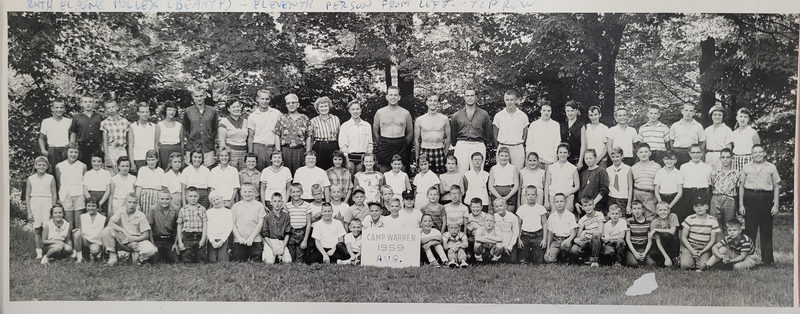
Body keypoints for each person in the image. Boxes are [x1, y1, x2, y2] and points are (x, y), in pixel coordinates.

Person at [739, 144, 780, 265]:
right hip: (750, 198)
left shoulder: (771, 167)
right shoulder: (746, 167)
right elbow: (741, 186)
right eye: (755, 152)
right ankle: (749, 257)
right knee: (749, 229)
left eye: (760, 152)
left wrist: (776, 205)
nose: (757, 154)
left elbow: (776, 186)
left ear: (764, 153)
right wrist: (741, 204)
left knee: (766, 229)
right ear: (751, 154)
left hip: (766, 198)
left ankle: (767, 260)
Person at [101, 193, 158, 266]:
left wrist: (134, 239)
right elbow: (110, 223)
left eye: (134, 202)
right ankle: (113, 257)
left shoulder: (141, 215)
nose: (132, 205)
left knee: (153, 250)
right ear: (125, 202)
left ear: (137, 204)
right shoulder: (121, 211)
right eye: (129, 202)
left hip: (137, 241)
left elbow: (146, 235)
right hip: (123, 239)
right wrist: (123, 231)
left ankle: (138, 257)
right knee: (107, 231)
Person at [450, 87, 493, 175]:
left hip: (478, 144)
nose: (470, 98)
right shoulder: (457, 115)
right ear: (464, 97)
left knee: (478, 173)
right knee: (461, 173)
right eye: (468, 95)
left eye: (472, 95)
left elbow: (488, 133)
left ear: (476, 97)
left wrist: (482, 143)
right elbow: (453, 134)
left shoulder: (484, 114)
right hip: (462, 145)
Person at [373, 86, 414, 172]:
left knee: (401, 172)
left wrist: (404, 144)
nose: (393, 97)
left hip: (401, 145)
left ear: (399, 97)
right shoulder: (380, 113)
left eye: (395, 95)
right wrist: (381, 143)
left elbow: (410, 133)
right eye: (391, 95)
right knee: (384, 171)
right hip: (384, 144)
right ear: (387, 97)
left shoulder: (405, 113)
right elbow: (375, 131)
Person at [26, 156, 58, 259]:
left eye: (44, 165)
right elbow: (27, 196)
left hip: (47, 203)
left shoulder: (51, 178)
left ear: (47, 166)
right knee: (37, 229)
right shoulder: (30, 178)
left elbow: (54, 194)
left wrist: (53, 209)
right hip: (35, 203)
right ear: (35, 166)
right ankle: (39, 253)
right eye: (39, 165)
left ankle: (49, 251)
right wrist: (29, 211)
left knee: (48, 227)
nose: (41, 167)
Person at [274, 93, 312, 175]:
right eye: (288, 103)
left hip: (300, 151)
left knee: (300, 174)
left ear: (298, 104)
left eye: (293, 102)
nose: (291, 105)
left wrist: (308, 153)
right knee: (285, 174)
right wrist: (278, 152)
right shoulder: (282, 118)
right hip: (285, 151)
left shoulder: (304, 118)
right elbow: (277, 135)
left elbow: (308, 136)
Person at [679, 197, 720, 270]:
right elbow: (684, 237)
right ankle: (685, 258)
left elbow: (712, 240)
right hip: (691, 246)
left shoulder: (713, 220)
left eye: (702, 205)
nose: (699, 208)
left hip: (704, 247)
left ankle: (697, 260)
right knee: (685, 265)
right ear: (694, 208)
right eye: (696, 206)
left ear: (707, 207)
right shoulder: (689, 218)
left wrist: (702, 251)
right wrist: (692, 250)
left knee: (703, 267)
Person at [183, 85, 219, 167]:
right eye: (196, 96)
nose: (199, 98)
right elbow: (186, 128)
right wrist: (191, 138)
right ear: (193, 97)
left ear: (205, 96)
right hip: (192, 147)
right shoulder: (188, 111)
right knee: (192, 171)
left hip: (208, 148)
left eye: (201, 96)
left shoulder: (212, 111)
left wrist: (210, 138)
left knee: (208, 172)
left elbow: (215, 128)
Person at [414, 94, 451, 174]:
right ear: (426, 102)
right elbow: (416, 140)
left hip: (439, 150)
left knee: (440, 176)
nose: (432, 103)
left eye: (435, 101)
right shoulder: (420, 120)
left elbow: (448, 137)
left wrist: (445, 152)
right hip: (425, 150)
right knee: (424, 177)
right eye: (430, 100)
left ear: (438, 103)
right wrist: (417, 156)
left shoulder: (444, 119)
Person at [492, 90, 529, 170]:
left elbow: (525, 134)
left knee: (517, 172)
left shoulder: (523, 116)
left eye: (512, 100)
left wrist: (519, 144)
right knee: (501, 172)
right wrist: (500, 146)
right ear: (504, 100)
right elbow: (495, 135)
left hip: (517, 148)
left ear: (516, 100)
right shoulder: (498, 116)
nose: (509, 102)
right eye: (507, 100)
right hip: (503, 147)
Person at [230, 183, 266, 262]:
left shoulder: (259, 205)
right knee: (239, 260)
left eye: (250, 191)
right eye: (245, 192)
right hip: (240, 239)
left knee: (256, 260)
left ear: (254, 192)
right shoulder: (236, 206)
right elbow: (232, 224)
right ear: (241, 193)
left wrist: (251, 238)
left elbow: (260, 223)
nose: (247, 194)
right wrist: (239, 237)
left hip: (255, 239)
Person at [248, 89, 282, 171]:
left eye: (267, 99)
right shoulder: (252, 116)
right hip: (258, 147)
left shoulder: (276, 113)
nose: (264, 101)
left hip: (272, 147)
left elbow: (280, 133)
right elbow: (251, 136)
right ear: (257, 99)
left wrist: (278, 150)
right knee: (259, 172)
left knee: (273, 172)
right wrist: (250, 153)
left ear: (269, 99)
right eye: (262, 99)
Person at [55, 143, 86, 228]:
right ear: (66, 152)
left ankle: (78, 236)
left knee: (78, 224)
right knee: (68, 224)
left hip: (79, 195)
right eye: (71, 152)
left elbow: (84, 182)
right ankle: (69, 237)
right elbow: (59, 183)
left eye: (76, 152)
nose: (73, 154)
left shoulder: (83, 166)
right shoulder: (59, 166)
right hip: (65, 195)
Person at [679, 144, 712, 223]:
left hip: (702, 193)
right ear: (689, 154)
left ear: (702, 153)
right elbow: (681, 182)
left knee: (701, 217)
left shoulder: (707, 167)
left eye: (698, 152)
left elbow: (709, 183)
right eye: (693, 152)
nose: (695, 155)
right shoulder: (684, 167)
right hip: (687, 194)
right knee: (687, 217)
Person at [338, 100, 374, 174]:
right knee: (350, 178)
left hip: (363, 159)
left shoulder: (367, 125)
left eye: (357, 109)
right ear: (349, 111)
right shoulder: (345, 126)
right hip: (350, 158)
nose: (355, 111)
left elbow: (370, 144)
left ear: (361, 110)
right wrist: (347, 160)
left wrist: (367, 160)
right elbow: (342, 144)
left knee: (361, 178)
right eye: (353, 109)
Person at [516, 186, 547, 265]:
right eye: (528, 194)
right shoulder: (521, 209)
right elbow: (518, 225)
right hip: (525, 236)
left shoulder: (541, 208)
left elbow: (544, 224)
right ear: (525, 195)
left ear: (536, 196)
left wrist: (544, 239)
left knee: (539, 262)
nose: (530, 196)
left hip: (537, 235)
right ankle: (528, 253)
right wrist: (519, 239)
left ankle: (534, 253)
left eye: (533, 194)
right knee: (522, 261)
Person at [570, 196, 606, 267]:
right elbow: (578, 236)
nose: (588, 207)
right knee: (574, 249)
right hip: (587, 241)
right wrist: (578, 239)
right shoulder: (582, 220)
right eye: (585, 206)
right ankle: (586, 258)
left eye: (590, 205)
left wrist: (586, 232)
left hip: (598, 241)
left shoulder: (599, 215)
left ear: (594, 205)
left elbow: (600, 231)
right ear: (582, 208)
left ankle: (595, 261)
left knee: (595, 235)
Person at [146, 189, 179, 264]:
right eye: (162, 199)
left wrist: (175, 243)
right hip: (157, 239)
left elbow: (178, 227)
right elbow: (149, 227)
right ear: (158, 199)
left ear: (171, 199)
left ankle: (166, 253)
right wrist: (152, 242)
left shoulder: (175, 209)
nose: (164, 201)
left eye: (167, 199)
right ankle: (161, 254)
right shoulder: (153, 209)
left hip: (169, 239)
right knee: (154, 261)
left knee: (176, 260)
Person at [710, 148, 739, 232]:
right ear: (720, 158)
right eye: (723, 157)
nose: (725, 159)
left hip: (729, 199)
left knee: (729, 224)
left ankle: (728, 240)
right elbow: (712, 186)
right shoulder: (714, 172)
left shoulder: (736, 173)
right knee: (715, 224)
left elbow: (737, 187)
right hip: (716, 198)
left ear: (732, 158)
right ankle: (717, 240)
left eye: (728, 157)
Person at [307, 97, 341, 170]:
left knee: (333, 168)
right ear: (318, 109)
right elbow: (311, 138)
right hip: (319, 147)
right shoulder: (313, 121)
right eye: (321, 107)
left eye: (325, 106)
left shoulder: (335, 119)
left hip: (333, 146)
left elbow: (339, 135)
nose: (323, 108)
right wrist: (309, 152)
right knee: (320, 169)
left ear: (329, 107)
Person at [69, 95, 104, 166]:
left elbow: (103, 133)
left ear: (94, 104)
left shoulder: (99, 117)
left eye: (90, 102)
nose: (88, 104)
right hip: (82, 148)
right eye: (85, 102)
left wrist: (103, 147)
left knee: (96, 167)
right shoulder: (76, 117)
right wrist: (72, 147)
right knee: (82, 167)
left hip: (96, 147)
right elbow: (73, 133)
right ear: (81, 104)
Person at [39, 100, 72, 172]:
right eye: (56, 107)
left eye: (61, 107)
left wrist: (70, 147)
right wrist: (43, 150)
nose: (59, 110)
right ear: (52, 108)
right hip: (52, 150)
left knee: (66, 171)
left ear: (64, 109)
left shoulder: (69, 121)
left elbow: (73, 135)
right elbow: (41, 138)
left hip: (65, 149)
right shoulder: (46, 122)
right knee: (53, 171)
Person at [543, 193, 578, 263]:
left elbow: (573, 232)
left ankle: (565, 257)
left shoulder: (570, 215)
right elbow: (550, 234)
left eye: (561, 201)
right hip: (556, 241)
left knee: (564, 247)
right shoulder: (552, 216)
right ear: (554, 203)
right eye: (557, 201)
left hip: (566, 240)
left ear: (565, 202)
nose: (559, 204)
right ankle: (558, 257)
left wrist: (569, 240)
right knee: (547, 259)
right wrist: (548, 249)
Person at [525, 99, 561, 166]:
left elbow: (557, 143)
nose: (546, 113)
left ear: (551, 112)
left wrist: (555, 160)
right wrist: (529, 161)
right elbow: (529, 144)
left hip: (551, 161)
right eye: (544, 110)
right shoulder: (534, 125)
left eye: (548, 111)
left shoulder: (555, 125)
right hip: (536, 161)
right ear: (540, 111)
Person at [544, 144, 578, 213]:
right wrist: (546, 201)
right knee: (553, 218)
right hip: (553, 197)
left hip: (567, 198)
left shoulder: (573, 168)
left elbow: (577, 186)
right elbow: (547, 184)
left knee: (566, 217)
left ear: (568, 154)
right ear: (557, 153)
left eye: (565, 152)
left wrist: (567, 193)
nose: (562, 154)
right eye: (560, 152)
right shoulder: (551, 167)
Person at [177, 187, 208, 263]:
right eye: (190, 196)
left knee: (201, 258)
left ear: (198, 197)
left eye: (195, 196)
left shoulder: (202, 209)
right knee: (186, 257)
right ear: (186, 197)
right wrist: (180, 242)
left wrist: (203, 239)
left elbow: (205, 225)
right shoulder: (183, 210)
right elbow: (179, 226)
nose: (193, 198)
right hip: (187, 236)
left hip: (199, 235)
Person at [630, 143, 661, 219]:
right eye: (641, 152)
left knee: (651, 217)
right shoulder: (633, 168)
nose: (643, 154)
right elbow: (631, 185)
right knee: (637, 216)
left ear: (650, 153)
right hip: (637, 194)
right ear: (637, 154)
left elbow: (659, 184)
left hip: (650, 195)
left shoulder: (657, 166)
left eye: (646, 152)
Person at [98, 100, 129, 174]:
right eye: (108, 108)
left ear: (117, 107)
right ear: (106, 110)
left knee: (122, 171)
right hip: (111, 149)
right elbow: (104, 141)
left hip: (122, 149)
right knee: (111, 172)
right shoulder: (104, 123)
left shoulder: (125, 121)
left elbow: (128, 140)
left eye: (113, 107)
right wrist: (107, 156)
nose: (111, 109)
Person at [260, 192, 292, 264]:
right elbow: (265, 234)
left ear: (282, 202)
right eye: (275, 201)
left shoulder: (286, 216)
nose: (277, 204)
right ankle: (274, 257)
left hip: (282, 242)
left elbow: (287, 233)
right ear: (271, 203)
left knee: (288, 261)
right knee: (269, 262)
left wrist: (283, 247)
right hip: (270, 242)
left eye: (279, 201)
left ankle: (280, 257)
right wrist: (272, 248)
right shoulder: (267, 217)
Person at [576, 149, 609, 215]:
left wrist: (593, 203)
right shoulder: (583, 173)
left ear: (595, 158)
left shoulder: (601, 171)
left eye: (590, 158)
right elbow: (578, 190)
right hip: (583, 207)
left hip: (596, 207)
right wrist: (576, 203)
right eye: (586, 158)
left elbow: (604, 190)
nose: (588, 160)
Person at [218, 99, 249, 171]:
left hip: (244, 152)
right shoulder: (224, 121)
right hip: (231, 152)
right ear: (228, 109)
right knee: (231, 173)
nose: (236, 109)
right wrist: (225, 154)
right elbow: (221, 140)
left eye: (238, 106)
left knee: (243, 174)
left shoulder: (245, 121)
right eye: (233, 107)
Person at [73, 197, 106, 262]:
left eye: (93, 206)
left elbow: (103, 236)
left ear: (97, 207)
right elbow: (80, 230)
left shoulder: (103, 218)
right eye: (89, 206)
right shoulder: (82, 216)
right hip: (85, 241)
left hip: (96, 242)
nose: (91, 208)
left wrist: (103, 252)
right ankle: (79, 256)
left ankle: (92, 256)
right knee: (77, 233)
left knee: (95, 250)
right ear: (86, 206)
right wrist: (77, 232)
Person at [286, 183, 312, 263]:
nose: (296, 194)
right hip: (291, 232)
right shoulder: (287, 206)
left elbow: (309, 223)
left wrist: (305, 240)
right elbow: (286, 222)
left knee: (299, 258)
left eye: (298, 191)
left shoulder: (307, 205)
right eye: (293, 192)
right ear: (290, 193)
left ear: (302, 192)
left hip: (302, 233)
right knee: (290, 258)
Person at [489, 147, 520, 213]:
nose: (504, 158)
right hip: (496, 194)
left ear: (509, 157)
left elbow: (516, 185)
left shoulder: (513, 168)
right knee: (497, 216)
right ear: (498, 156)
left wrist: (507, 197)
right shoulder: (494, 168)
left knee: (509, 215)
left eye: (506, 156)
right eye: (502, 155)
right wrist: (499, 197)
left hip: (510, 194)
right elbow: (490, 186)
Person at [155, 101, 184, 171]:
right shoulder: (159, 125)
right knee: (164, 172)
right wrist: (157, 158)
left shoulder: (179, 125)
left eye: (174, 110)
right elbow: (156, 144)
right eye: (169, 110)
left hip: (177, 151)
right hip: (163, 152)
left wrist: (182, 157)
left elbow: (182, 143)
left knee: (176, 172)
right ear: (165, 110)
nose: (171, 112)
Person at [649, 202, 679, 267]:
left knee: (669, 236)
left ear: (668, 211)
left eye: (665, 210)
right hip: (660, 245)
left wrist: (656, 229)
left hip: (672, 243)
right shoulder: (654, 222)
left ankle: (675, 258)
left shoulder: (673, 216)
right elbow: (658, 241)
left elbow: (672, 231)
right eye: (660, 210)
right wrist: (666, 257)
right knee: (657, 258)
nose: (663, 212)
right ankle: (665, 259)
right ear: (657, 212)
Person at [206, 190, 233, 263]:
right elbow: (207, 228)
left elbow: (229, 227)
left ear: (221, 198)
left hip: (223, 239)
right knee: (212, 261)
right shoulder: (208, 212)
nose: (216, 202)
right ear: (211, 202)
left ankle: (227, 252)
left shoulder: (228, 212)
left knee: (223, 261)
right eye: (213, 200)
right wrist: (212, 241)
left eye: (217, 199)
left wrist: (222, 241)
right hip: (212, 239)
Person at [129, 103, 157, 172]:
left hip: (151, 159)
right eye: (142, 112)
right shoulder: (133, 126)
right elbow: (130, 146)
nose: (145, 114)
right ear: (138, 113)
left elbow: (156, 145)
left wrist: (157, 159)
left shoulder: (154, 126)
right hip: (138, 159)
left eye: (147, 112)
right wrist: (132, 163)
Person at [625, 201, 654, 267]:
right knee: (633, 263)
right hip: (632, 247)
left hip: (643, 247)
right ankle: (634, 258)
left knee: (651, 263)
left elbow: (650, 241)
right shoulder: (629, 221)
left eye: (639, 208)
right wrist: (635, 253)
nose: (637, 211)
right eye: (634, 209)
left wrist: (645, 253)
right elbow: (627, 240)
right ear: (631, 211)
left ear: (643, 210)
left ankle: (642, 258)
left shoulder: (649, 221)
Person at [135, 150, 164, 215]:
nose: (151, 162)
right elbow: (139, 187)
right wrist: (137, 203)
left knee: (155, 216)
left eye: (153, 160)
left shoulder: (161, 171)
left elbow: (162, 189)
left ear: (157, 159)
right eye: (149, 160)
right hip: (144, 198)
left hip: (156, 198)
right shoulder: (142, 169)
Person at [606, 147, 633, 216]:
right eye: (613, 157)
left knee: (622, 218)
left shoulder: (627, 169)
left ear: (622, 156)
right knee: (612, 217)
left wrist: (629, 204)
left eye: (617, 156)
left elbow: (630, 187)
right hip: (611, 198)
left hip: (623, 198)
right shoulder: (608, 169)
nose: (615, 159)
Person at [83, 151, 112, 217]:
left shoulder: (106, 173)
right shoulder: (87, 174)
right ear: (91, 162)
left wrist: (100, 203)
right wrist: (91, 203)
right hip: (90, 199)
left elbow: (108, 191)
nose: (96, 163)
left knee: (101, 218)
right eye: (94, 161)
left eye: (99, 161)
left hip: (103, 200)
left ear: (102, 162)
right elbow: (85, 190)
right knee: (90, 218)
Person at [492, 199, 519, 263]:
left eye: (501, 206)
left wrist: (510, 246)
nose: (499, 208)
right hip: (499, 243)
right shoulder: (494, 217)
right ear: (494, 208)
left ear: (505, 206)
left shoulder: (513, 217)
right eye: (496, 206)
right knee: (495, 257)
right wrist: (503, 245)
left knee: (512, 260)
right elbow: (496, 233)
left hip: (510, 242)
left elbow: (515, 232)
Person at [561, 100, 585, 167]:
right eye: (568, 111)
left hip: (576, 158)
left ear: (576, 110)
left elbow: (583, 145)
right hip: (564, 158)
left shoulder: (581, 125)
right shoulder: (563, 125)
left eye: (572, 111)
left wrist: (580, 161)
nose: (570, 113)